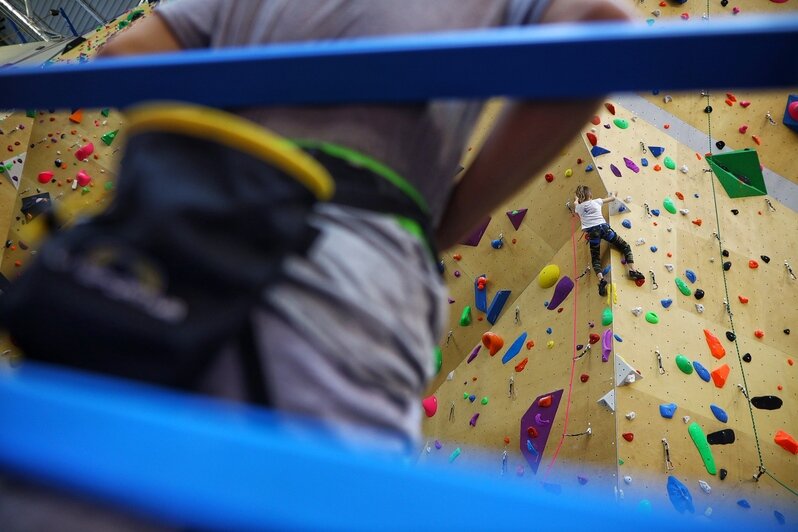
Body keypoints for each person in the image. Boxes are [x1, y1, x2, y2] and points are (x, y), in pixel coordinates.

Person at [97, 0, 634, 452]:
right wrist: (450, 221)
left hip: (188, 240)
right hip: (355, 261)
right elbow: (601, 23)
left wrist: (244, 165)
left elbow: (125, 54)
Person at [573, 184, 644, 297]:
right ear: (590, 195)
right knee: (625, 246)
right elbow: (613, 198)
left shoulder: (579, 208)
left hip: (593, 233)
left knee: (596, 258)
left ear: (580, 198)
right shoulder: (596, 201)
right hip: (604, 229)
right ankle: (632, 270)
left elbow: (576, 203)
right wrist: (614, 192)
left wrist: (576, 199)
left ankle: (601, 280)